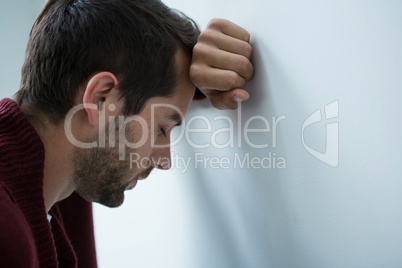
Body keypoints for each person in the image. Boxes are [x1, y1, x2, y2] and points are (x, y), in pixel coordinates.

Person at [0, 0, 254, 267]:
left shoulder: (61, 164)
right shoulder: (7, 237)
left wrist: (202, 70)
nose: (164, 160)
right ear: (101, 98)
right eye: (162, 129)